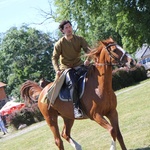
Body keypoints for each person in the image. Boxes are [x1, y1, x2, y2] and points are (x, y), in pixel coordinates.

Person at [52, 20, 90, 118]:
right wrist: (57, 70)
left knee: (94, 73)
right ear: (63, 31)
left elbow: (88, 50)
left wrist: (88, 59)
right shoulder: (59, 44)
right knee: (72, 83)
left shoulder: (80, 39)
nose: (69, 29)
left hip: (79, 65)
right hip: (67, 68)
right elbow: (54, 58)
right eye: (66, 28)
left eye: (70, 27)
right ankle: (76, 108)